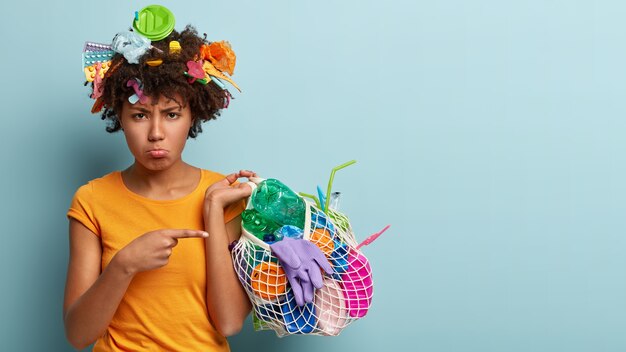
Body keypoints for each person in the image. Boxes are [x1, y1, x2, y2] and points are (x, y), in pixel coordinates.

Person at [64, 7, 253, 351]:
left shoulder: (224, 196)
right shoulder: (91, 201)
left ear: (193, 113)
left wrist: (212, 207)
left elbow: (229, 322)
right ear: (119, 116)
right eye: (139, 115)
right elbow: (78, 335)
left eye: (171, 114)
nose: (155, 133)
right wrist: (124, 265)